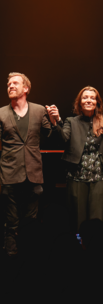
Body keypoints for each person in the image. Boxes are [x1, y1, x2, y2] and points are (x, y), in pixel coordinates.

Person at [0, 72, 60, 256]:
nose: (10, 86)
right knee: (11, 223)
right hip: (10, 176)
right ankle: (11, 261)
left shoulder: (40, 110)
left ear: (26, 88)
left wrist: (55, 120)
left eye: (15, 83)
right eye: (8, 84)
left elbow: (52, 137)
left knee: (31, 222)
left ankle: (30, 258)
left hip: (33, 175)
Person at [54, 86, 103, 233]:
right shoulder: (71, 121)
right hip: (77, 175)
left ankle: (96, 249)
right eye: (85, 97)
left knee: (97, 218)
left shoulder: (102, 121)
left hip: (98, 176)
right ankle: (78, 250)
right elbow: (63, 138)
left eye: (92, 98)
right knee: (78, 218)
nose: (89, 100)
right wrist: (56, 121)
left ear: (97, 102)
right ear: (80, 103)